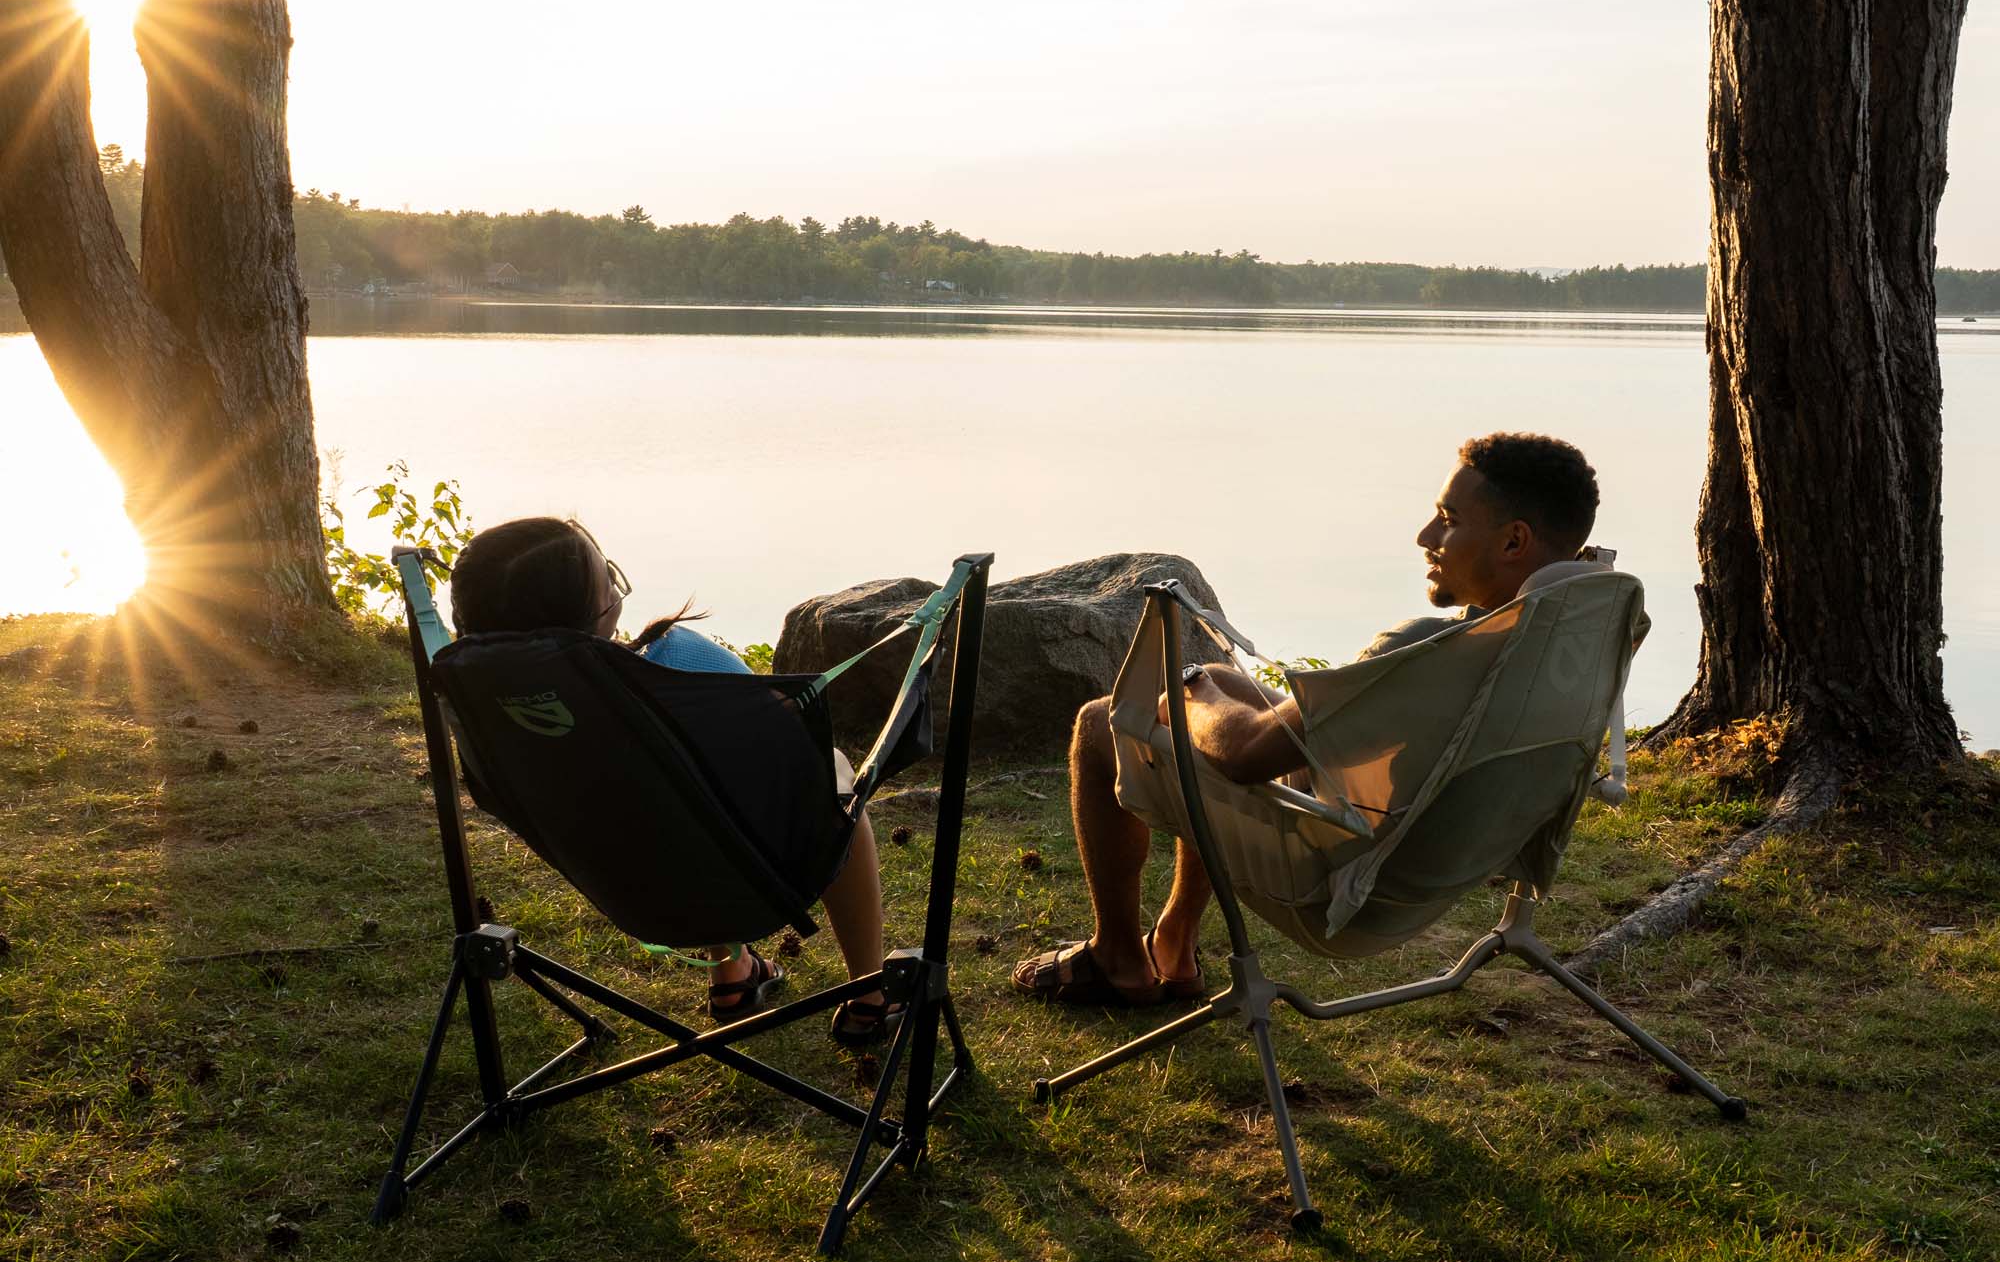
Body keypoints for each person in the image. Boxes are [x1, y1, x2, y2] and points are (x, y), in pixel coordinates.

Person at [1011, 431, 1603, 1006]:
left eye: (1448, 518)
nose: (1426, 534)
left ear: (1513, 542)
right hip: (1433, 863)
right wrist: (1215, 691)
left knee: (1102, 722)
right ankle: (1175, 943)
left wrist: (1189, 686)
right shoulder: (1569, 634)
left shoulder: (1429, 652)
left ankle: (1117, 957)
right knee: (1232, 687)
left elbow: (1244, 754)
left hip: (1346, 890)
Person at [447, 515, 899, 1046]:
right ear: (590, 610)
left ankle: (732, 975)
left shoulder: (477, 701)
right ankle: (869, 997)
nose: (616, 589)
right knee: (836, 775)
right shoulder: (675, 663)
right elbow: (788, 751)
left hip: (631, 892)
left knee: (673, 798)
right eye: (607, 580)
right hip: (741, 884)